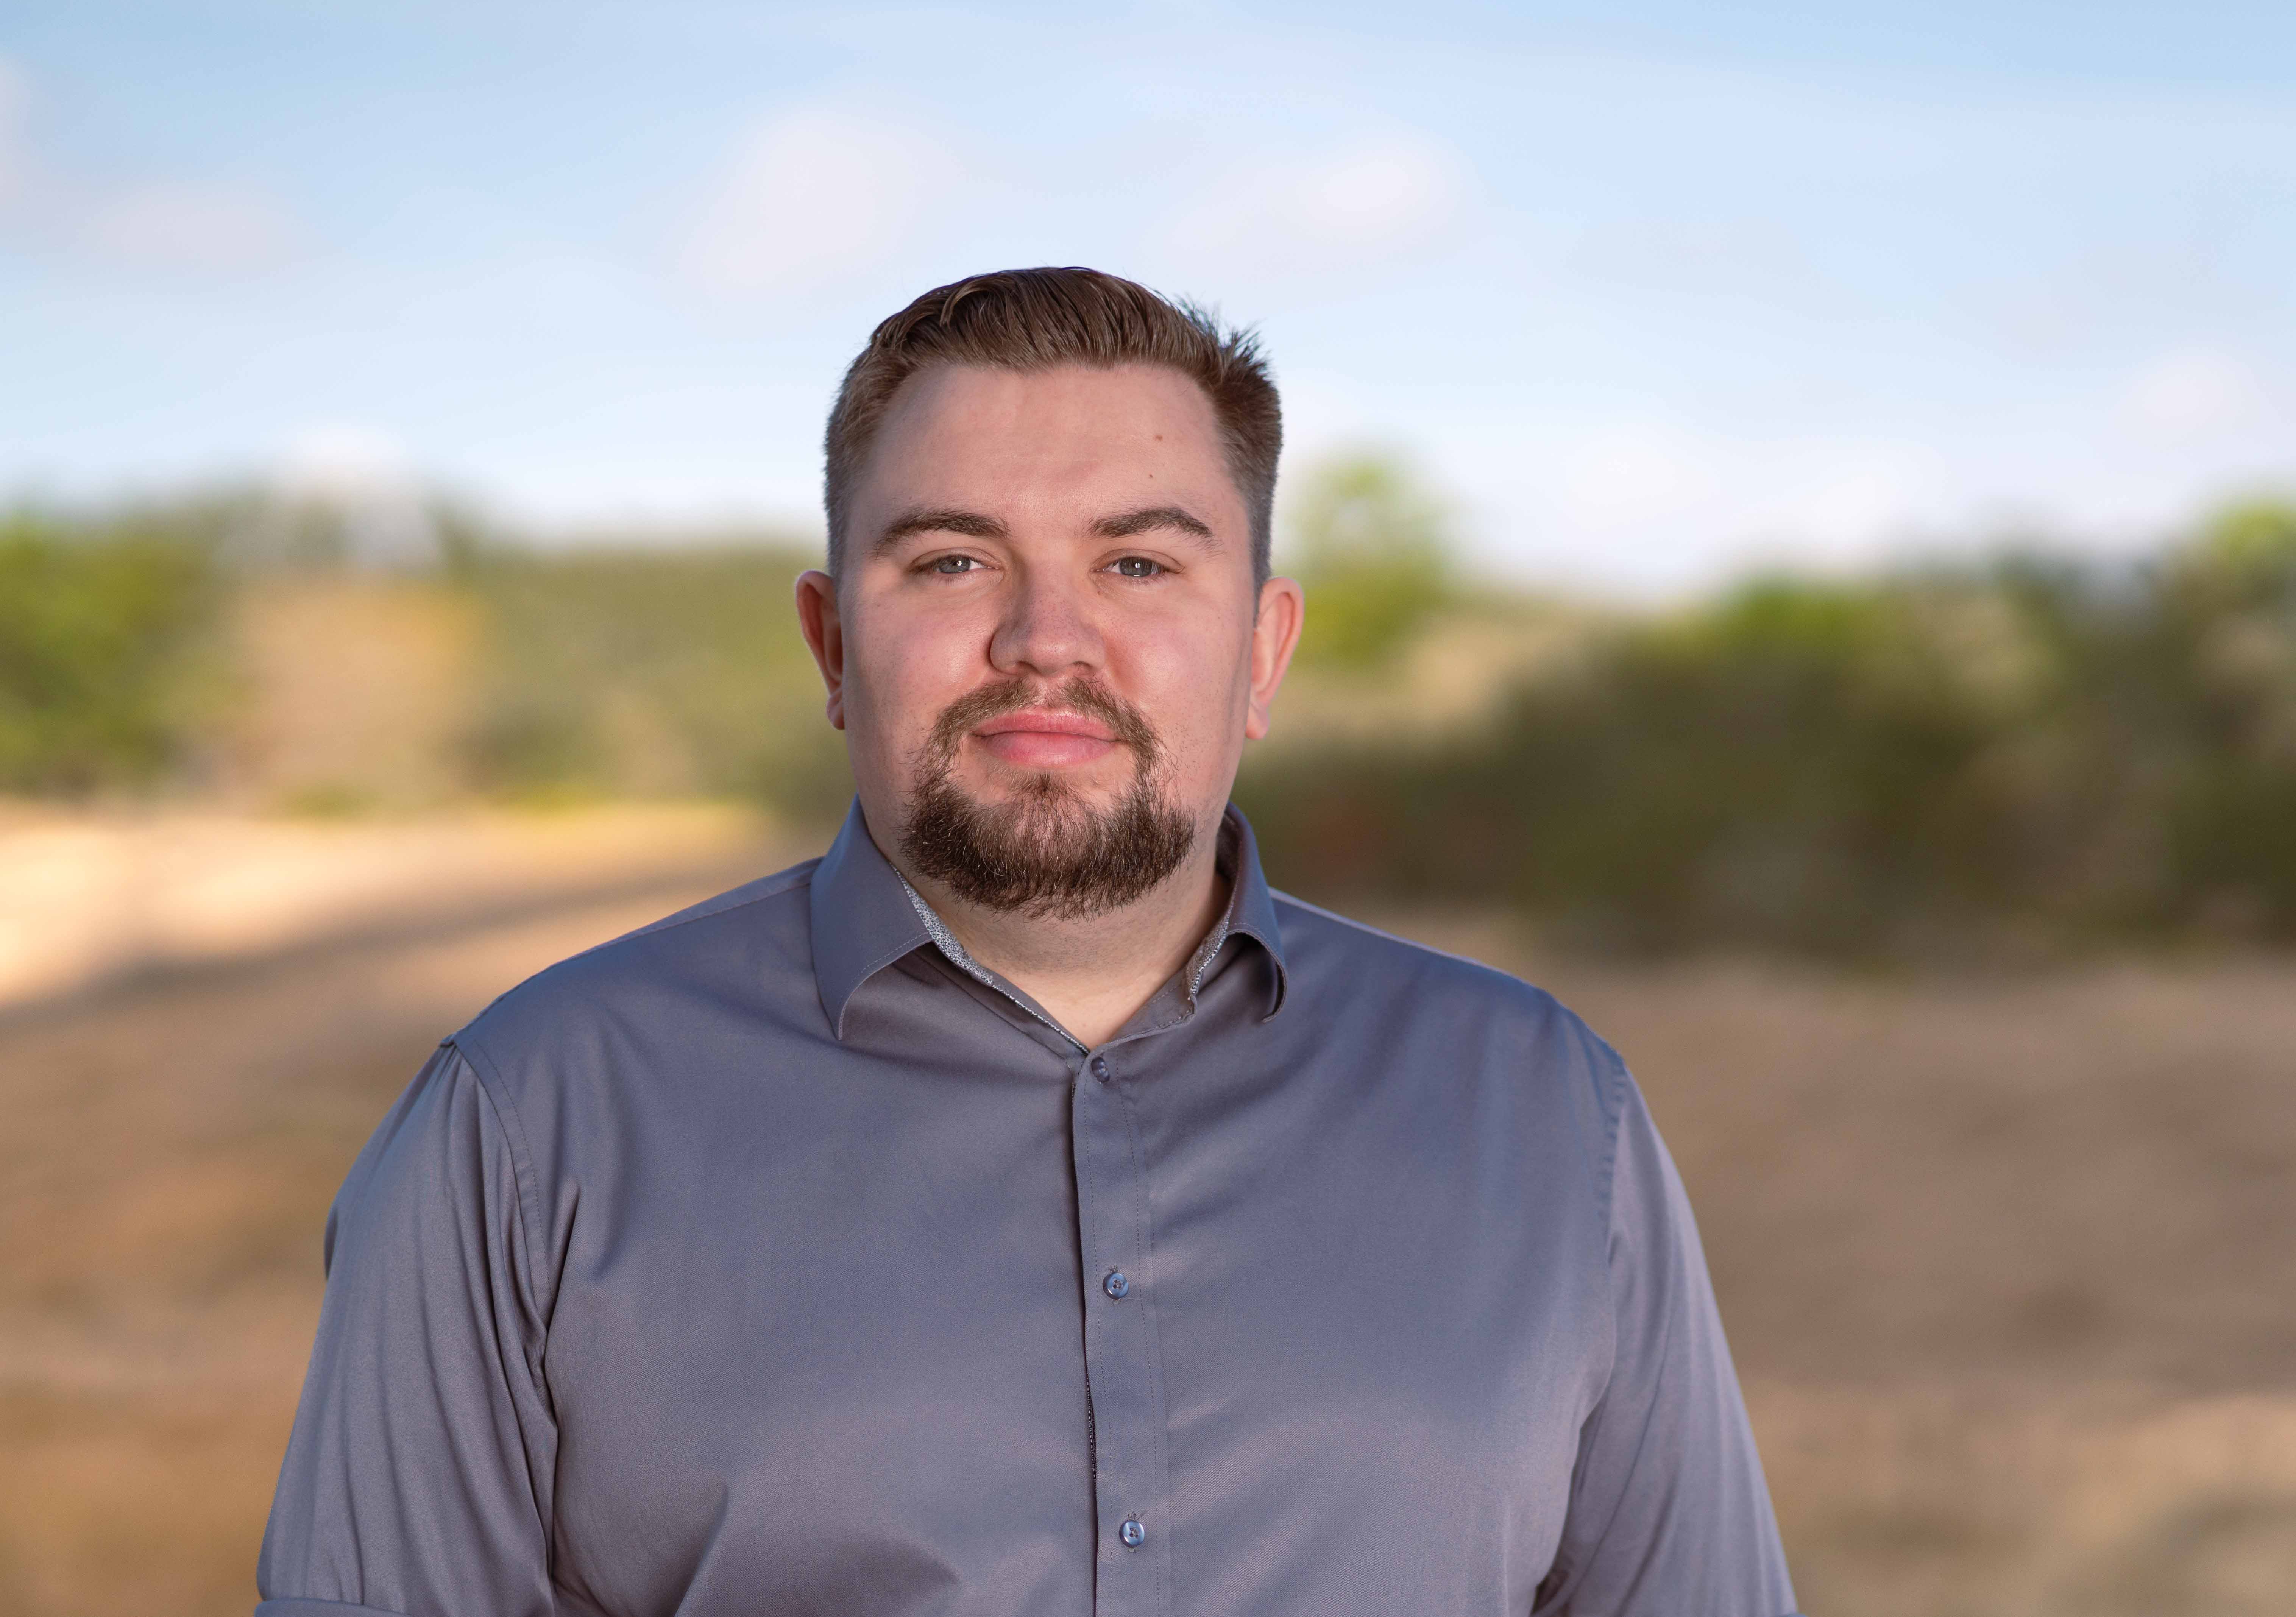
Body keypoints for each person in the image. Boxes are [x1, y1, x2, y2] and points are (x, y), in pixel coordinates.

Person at [256, 267, 1800, 1617]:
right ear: (830, 644)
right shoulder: (528, 1120)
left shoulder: (1543, 1108)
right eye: (949, 561)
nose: (1045, 640)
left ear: (1262, 650)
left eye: (1139, 561)